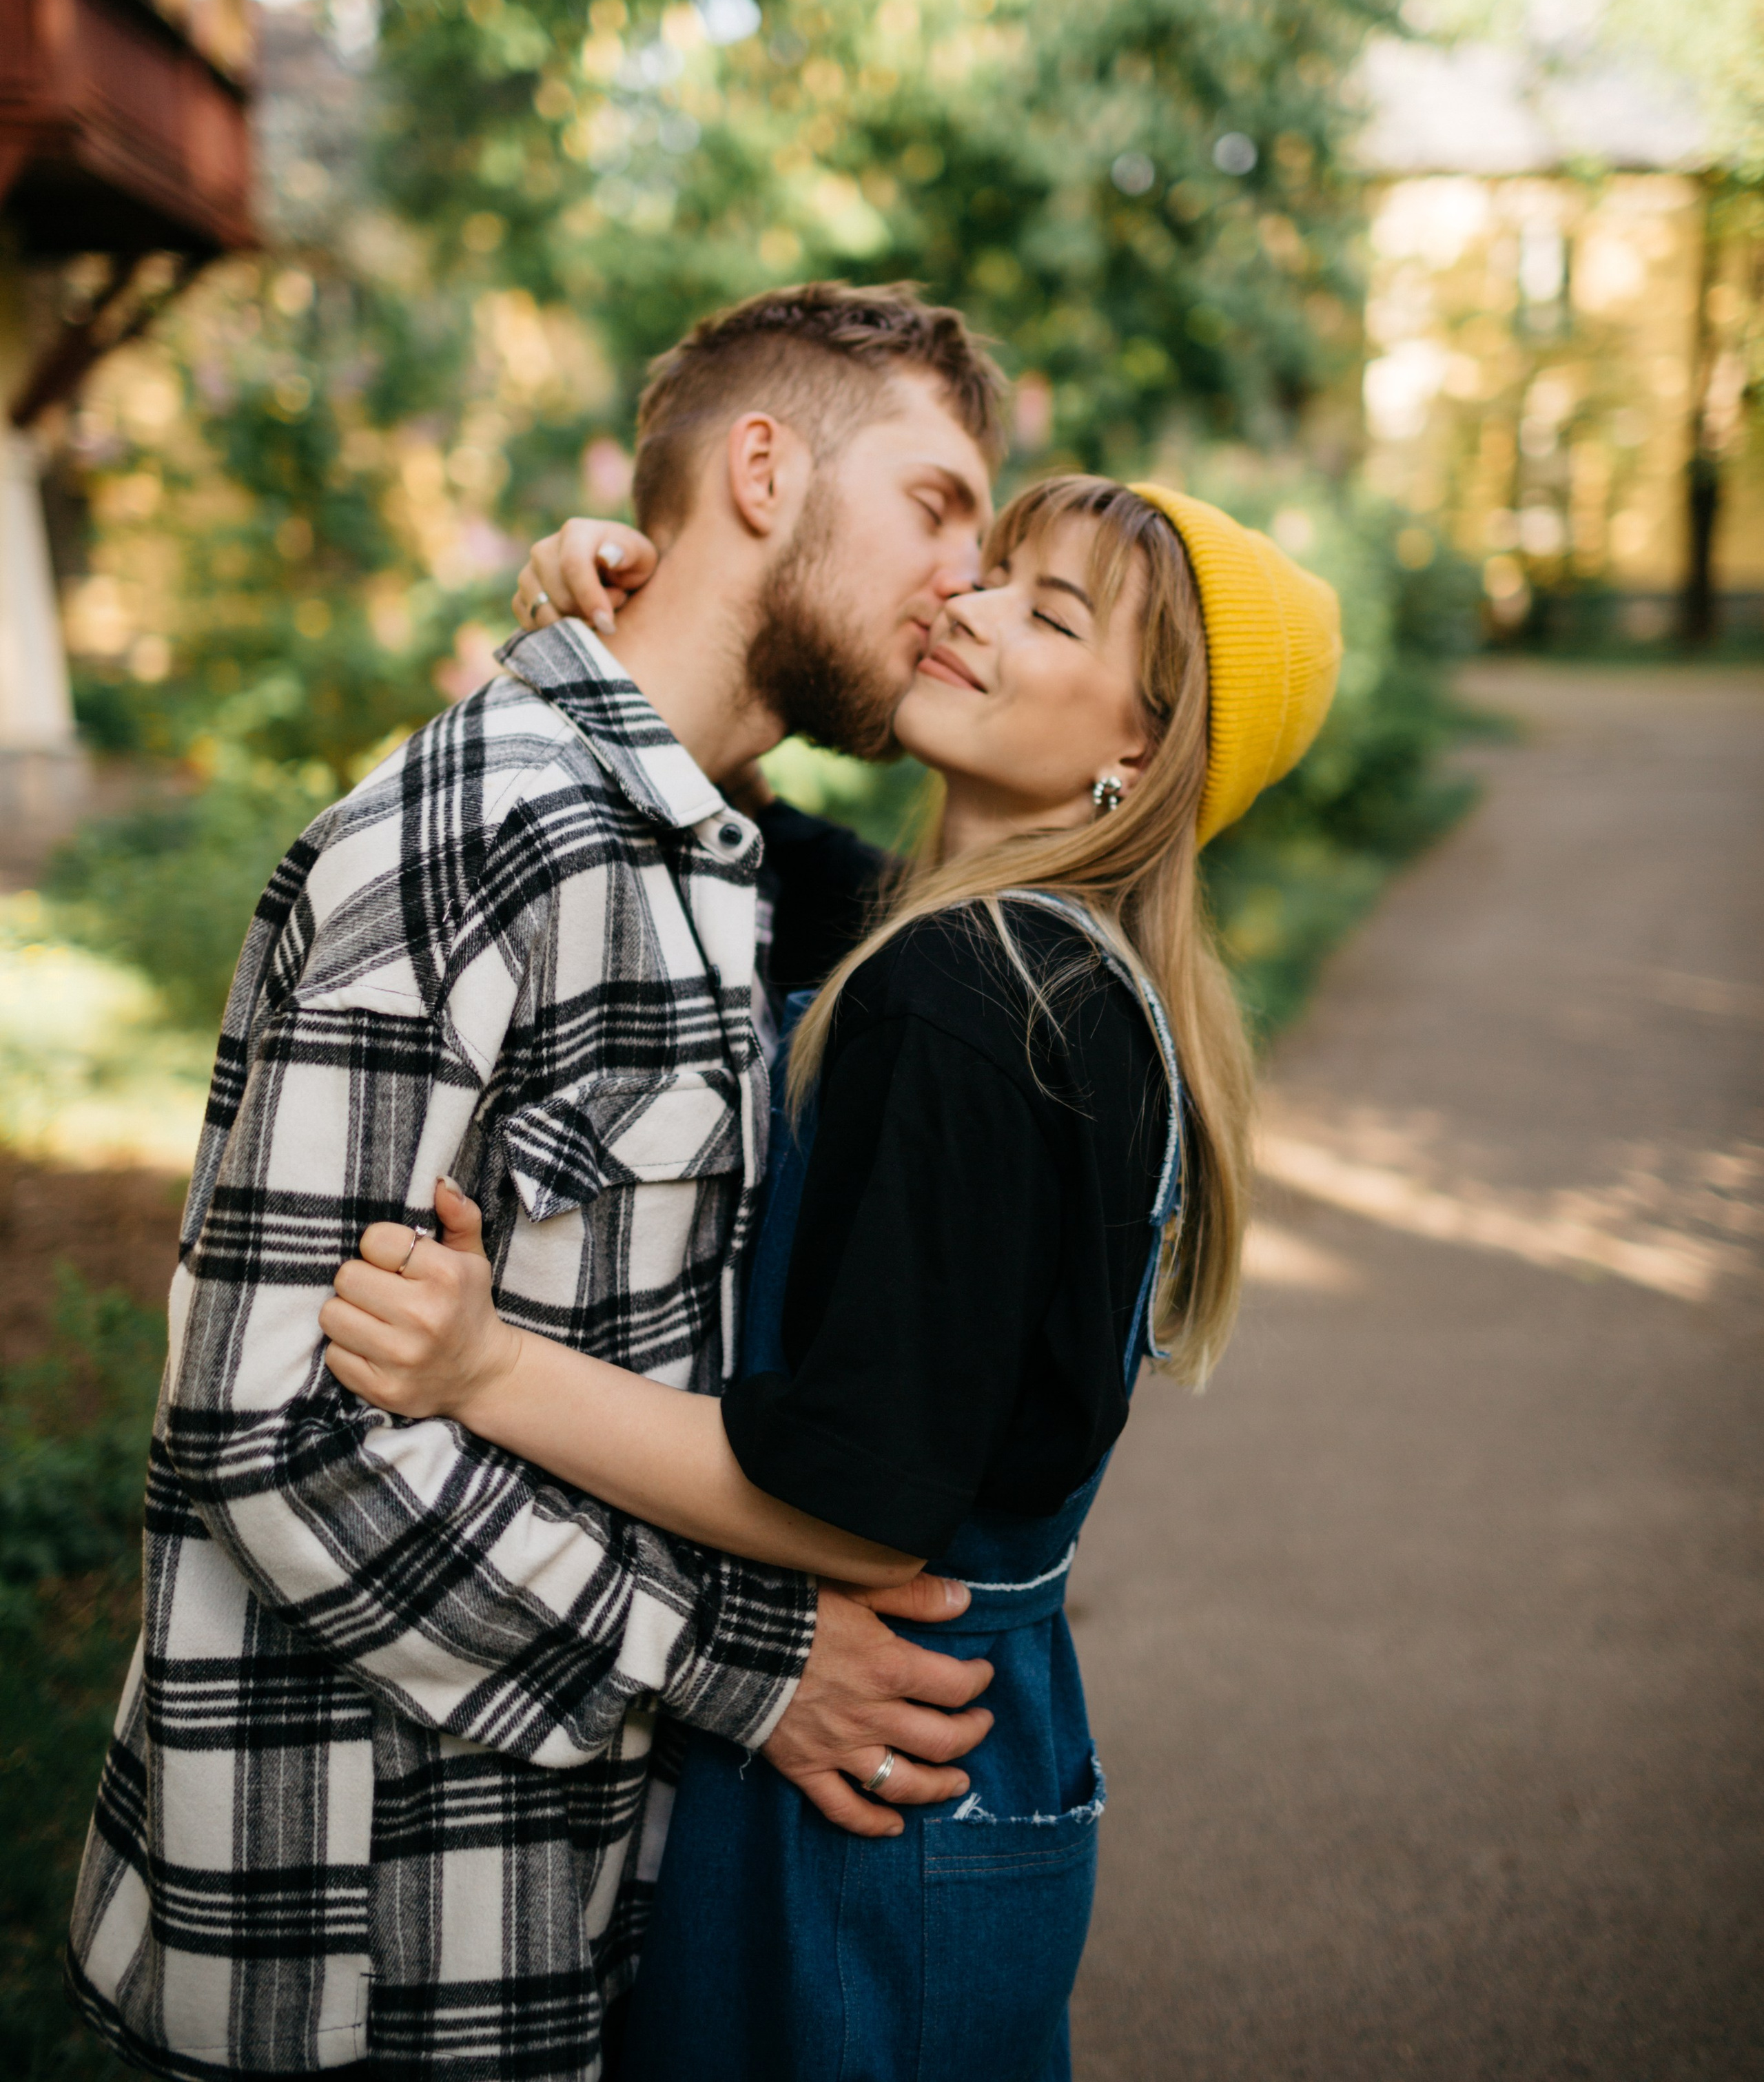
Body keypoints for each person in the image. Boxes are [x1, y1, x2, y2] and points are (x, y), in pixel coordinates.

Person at [67, 283, 1014, 2082]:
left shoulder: (712, 861)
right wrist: (746, 1663)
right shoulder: (478, 833)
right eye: (937, 505)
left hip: (549, 1904)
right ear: (760, 470)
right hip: (346, 1949)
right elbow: (275, 1436)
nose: (964, 582)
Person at [316, 473, 1344, 2079]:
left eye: (1045, 611)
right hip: (985, 1736)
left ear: (1136, 750)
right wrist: (615, 629)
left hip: (865, 1783)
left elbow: (861, 1494)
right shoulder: (1037, 956)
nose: (968, 606)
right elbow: (740, 825)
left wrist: (484, 1371)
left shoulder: (965, 996)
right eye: (989, 574)